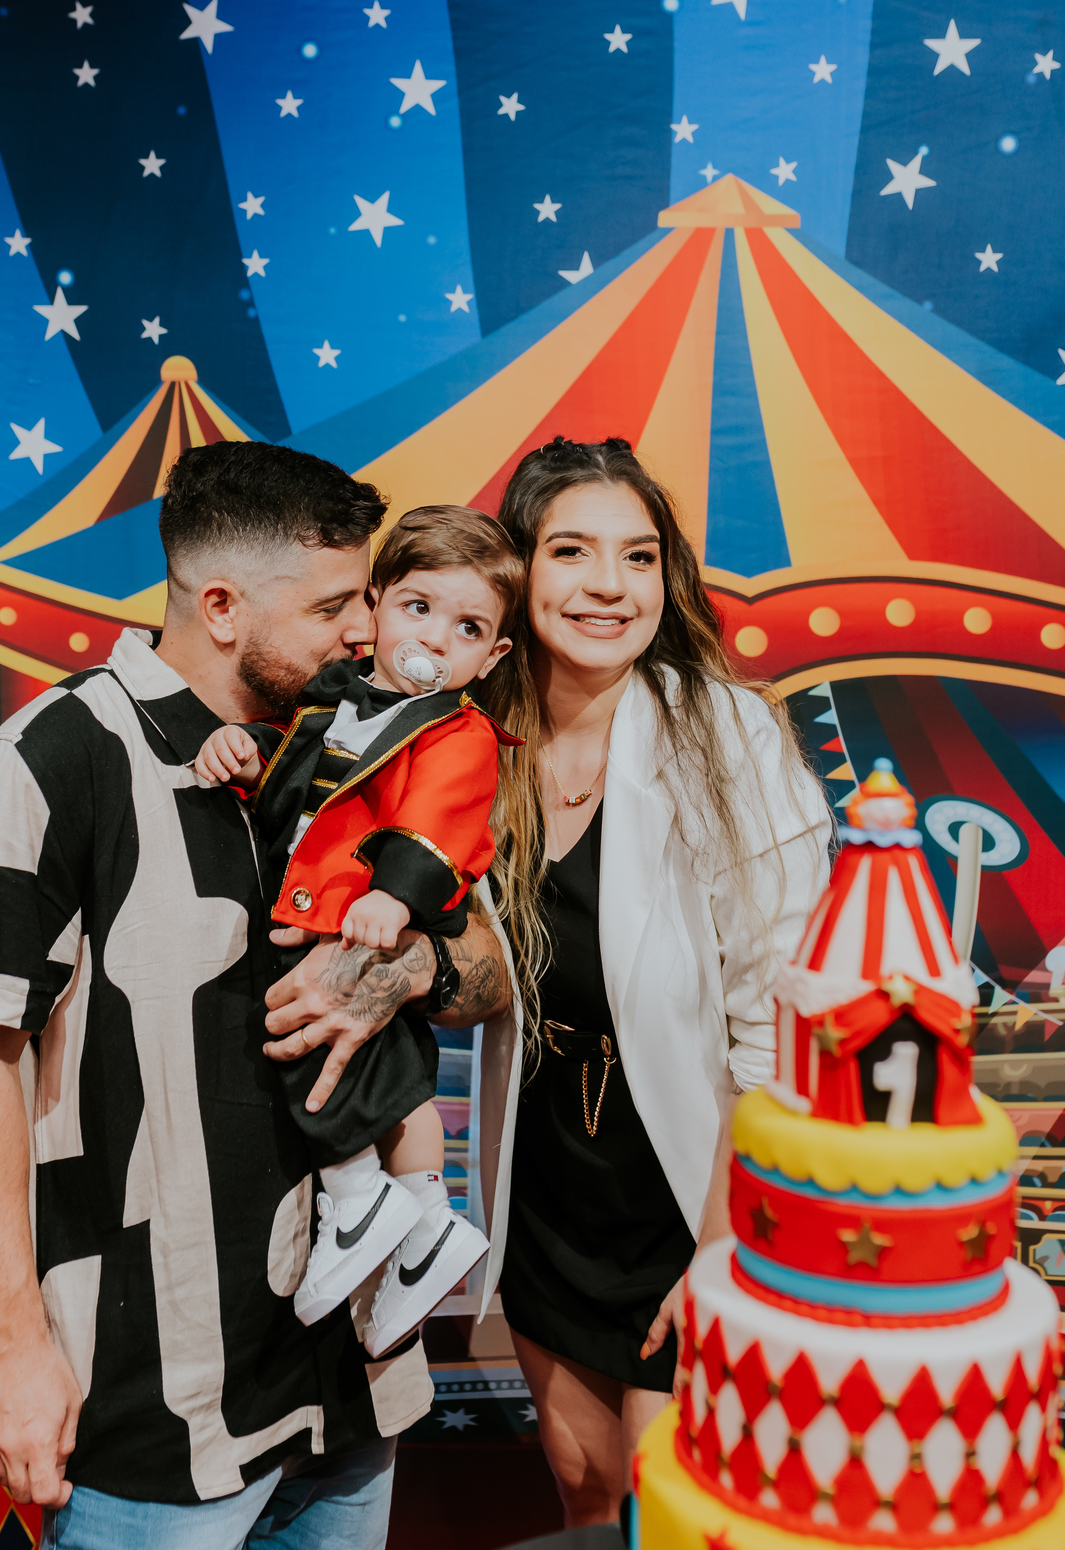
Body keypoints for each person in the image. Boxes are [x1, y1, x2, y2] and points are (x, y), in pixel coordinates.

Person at [0, 442, 511, 1550]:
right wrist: (8, 1343)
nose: (363, 627)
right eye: (337, 603)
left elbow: (479, 969)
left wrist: (407, 968)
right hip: (159, 1402)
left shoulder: (359, 736)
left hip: (348, 1385)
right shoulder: (50, 758)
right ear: (224, 605)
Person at [474, 437, 831, 1528]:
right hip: (544, 1179)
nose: (608, 586)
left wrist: (723, 1248)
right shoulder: (469, 734)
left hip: (689, 1183)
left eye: (638, 556)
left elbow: (779, 1016)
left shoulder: (720, 730)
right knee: (582, 1479)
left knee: (668, 1495)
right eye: (572, 551)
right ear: (520, 569)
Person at [195, 505, 522, 1356]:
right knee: (380, 1061)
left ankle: (360, 1196)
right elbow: (295, 771)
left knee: (329, 1048)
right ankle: (422, 1220)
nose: (434, 639)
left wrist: (399, 898)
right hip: (317, 903)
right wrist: (244, 754)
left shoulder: (457, 729)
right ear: (373, 609)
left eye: (467, 628)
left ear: (492, 657)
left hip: (361, 912)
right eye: (417, 609)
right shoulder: (331, 702)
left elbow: (443, 822)